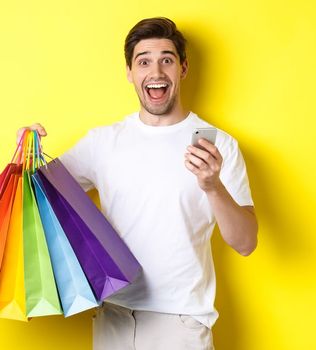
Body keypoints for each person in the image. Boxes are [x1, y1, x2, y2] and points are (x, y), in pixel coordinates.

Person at [17, 17, 258, 350]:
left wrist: (213, 186)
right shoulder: (102, 142)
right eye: (144, 61)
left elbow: (245, 243)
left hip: (181, 322)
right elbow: (37, 199)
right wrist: (27, 154)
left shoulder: (219, 147)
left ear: (183, 69)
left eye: (167, 60)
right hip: (113, 317)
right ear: (130, 72)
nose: (156, 72)